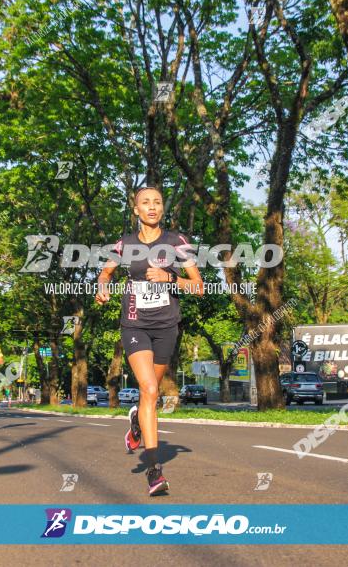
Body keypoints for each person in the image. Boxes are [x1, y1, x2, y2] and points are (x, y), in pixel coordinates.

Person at [95, 186, 204, 496]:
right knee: (151, 390)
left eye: (157, 202)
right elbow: (105, 274)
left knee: (149, 396)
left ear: (161, 210)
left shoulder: (176, 242)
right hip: (135, 324)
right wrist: (102, 287)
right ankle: (155, 472)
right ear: (136, 210)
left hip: (167, 326)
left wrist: (171, 278)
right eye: (146, 202)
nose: (152, 207)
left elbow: (198, 286)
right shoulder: (125, 244)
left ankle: (137, 420)